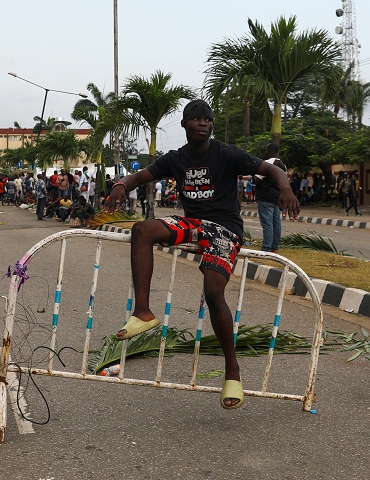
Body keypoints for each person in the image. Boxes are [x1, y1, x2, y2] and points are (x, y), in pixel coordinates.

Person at [104, 99, 299, 410]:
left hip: (225, 229)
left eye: (207, 119)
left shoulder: (226, 153)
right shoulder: (176, 159)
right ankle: (143, 312)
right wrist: (120, 185)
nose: (203, 124)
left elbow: (270, 168)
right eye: (196, 119)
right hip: (193, 224)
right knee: (142, 230)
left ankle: (232, 371)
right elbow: (139, 177)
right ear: (185, 125)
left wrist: (285, 188)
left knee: (213, 293)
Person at [254, 143, 288, 253]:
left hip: (265, 196)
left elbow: (257, 179)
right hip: (277, 197)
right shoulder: (283, 165)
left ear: (269, 151)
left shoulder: (267, 163)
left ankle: (266, 248)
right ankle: (275, 247)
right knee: (276, 223)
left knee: (267, 223)